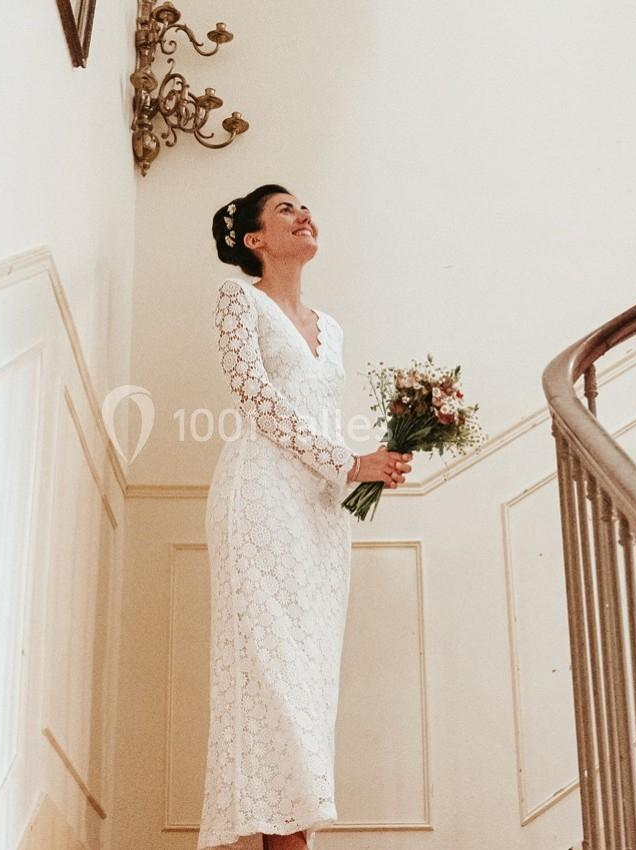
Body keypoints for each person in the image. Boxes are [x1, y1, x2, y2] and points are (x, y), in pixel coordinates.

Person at [197, 184, 412, 850]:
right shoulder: (239, 299)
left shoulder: (334, 327)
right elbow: (257, 399)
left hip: (320, 515)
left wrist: (373, 463)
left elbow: (317, 411)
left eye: (306, 207)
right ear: (254, 239)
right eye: (285, 209)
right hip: (259, 499)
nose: (304, 215)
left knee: (310, 685)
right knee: (272, 679)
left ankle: (290, 838)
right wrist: (349, 462)